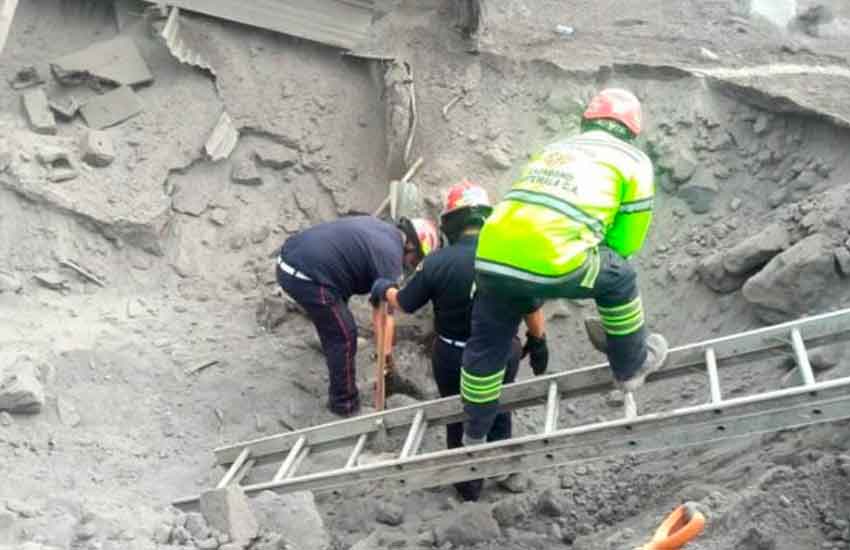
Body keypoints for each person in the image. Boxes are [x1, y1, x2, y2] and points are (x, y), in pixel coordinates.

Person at [461, 88, 669, 446]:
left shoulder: (555, 149)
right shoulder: (633, 161)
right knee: (619, 277)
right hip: (554, 259)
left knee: (486, 344)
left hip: (491, 256)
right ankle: (631, 365)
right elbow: (625, 245)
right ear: (632, 131)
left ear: (586, 121)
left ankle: (473, 433)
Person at [370, 181, 547, 501]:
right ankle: (502, 469)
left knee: (457, 413)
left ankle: (468, 485)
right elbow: (533, 308)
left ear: (451, 222)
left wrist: (385, 288)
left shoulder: (437, 262)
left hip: (452, 355)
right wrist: (538, 341)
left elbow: (405, 303)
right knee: (499, 405)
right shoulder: (510, 256)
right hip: (502, 352)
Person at [276, 215, 439, 417]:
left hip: (294, 259)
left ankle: (327, 338)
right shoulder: (389, 257)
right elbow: (383, 315)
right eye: (417, 259)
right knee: (344, 337)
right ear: (411, 247)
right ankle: (344, 405)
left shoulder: (385, 231)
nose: (413, 265)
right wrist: (385, 358)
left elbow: (377, 304)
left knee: (335, 314)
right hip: (304, 275)